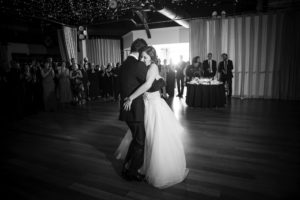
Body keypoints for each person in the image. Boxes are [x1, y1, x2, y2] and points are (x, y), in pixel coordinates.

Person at [116, 46, 189, 189]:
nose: (142, 60)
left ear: (152, 58)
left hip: (155, 107)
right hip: (147, 107)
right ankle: (143, 166)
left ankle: (160, 170)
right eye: (142, 57)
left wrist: (130, 97)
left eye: (145, 57)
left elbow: (148, 84)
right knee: (147, 139)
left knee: (157, 139)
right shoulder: (144, 67)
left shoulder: (153, 66)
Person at [118, 38, 148, 182]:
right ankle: (132, 172)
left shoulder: (123, 64)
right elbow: (151, 85)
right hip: (135, 110)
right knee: (140, 142)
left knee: (136, 140)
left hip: (127, 110)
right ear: (142, 51)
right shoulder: (138, 65)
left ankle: (127, 167)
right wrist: (160, 80)